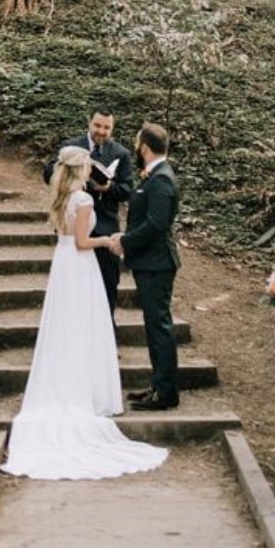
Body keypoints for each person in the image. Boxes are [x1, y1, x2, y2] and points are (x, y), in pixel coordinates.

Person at [0, 146, 166, 479]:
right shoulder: (84, 200)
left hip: (63, 267)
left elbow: (67, 239)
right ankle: (86, 394)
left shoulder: (62, 196)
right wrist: (108, 241)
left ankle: (68, 384)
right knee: (84, 326)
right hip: (80, 265)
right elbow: (82, 242)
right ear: (83, 169)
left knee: (66, 326)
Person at [111, 123, 182, 411]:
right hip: (150, 263)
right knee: (154, 327)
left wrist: (125, 242)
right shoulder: (156, 176)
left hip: (157, 264)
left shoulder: (162, 179)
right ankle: (157, 385)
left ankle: (165, 392)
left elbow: (156, 224)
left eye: (138, 145)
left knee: (159, 327)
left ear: (145, 148)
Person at [41, 108, 134, 317]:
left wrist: (107, 187)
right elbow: (48, 174)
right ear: (89, 123)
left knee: (107, 288)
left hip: (105, 227)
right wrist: (70, 173)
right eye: (98, 125)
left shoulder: (120, 153)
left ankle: (106, 342)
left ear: (112, 128)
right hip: (74, 227)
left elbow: (127, 190)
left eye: (107, 127)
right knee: (73, 293)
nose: (101, 131)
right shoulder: (71, 147)